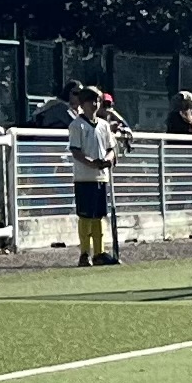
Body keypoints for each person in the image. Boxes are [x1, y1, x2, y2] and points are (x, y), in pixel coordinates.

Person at [68, 85, 117, 266]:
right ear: (83, 104)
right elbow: (76, 151)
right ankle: (84, 253)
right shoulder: (77, 125)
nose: (95, 104)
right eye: (91, 101)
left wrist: (108, 160)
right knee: (85, 216)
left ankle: (99, 252)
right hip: (84, 177)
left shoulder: (104, 125)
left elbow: (111, 148)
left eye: (98, 101)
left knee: (99, 215)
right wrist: (92, 163)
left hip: (101, 177)